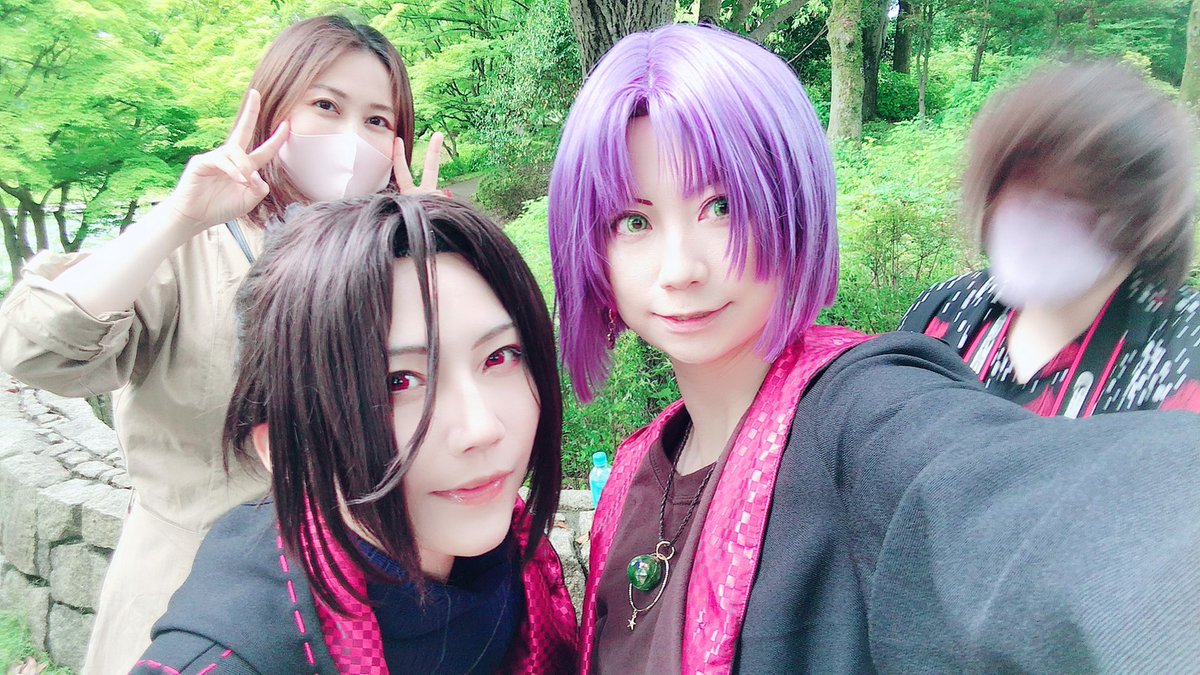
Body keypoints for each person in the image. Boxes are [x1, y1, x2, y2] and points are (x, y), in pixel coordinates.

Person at [547, 24, 1200, 673]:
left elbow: (1009, 504)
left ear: (792, 200)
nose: (681, 268)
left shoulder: (859, 411)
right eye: (634, 221)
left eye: (721, 206)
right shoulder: (631, 474)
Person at [0, 15, 443, 672]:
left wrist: (430, 254)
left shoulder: (396, 261)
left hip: (360, 609)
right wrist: (178, 218)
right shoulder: (195, 250)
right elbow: (36, 349)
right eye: (326, 105)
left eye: (378, 120)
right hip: (188, 606)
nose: (352, 138)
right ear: (271, 108)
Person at [130, 194, 577, 673]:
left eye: (500, 356)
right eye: (397, 382)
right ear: (282, 449)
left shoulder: (515, 568)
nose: (482, 428)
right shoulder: (229, 660)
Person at [898, 62, 1200, 417]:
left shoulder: (1185, 350)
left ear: (1142, 218)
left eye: (1076, 195)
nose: (1036, 214)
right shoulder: (945, 309)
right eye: (1024, 182)